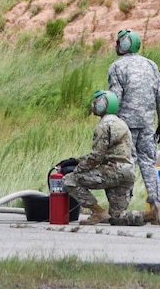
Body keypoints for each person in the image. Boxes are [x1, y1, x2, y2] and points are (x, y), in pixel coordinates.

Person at [107, 29, 160, 227]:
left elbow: (113, 99)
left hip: (125, 125)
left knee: (128, 163)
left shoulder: (117, 67)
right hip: (148, 123)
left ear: (124, 44)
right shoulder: (151, 65)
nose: (116, 45)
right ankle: (156, 202)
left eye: (118, 42)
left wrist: (110, 124)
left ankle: (122, 208)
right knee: (149, 163)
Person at [63, 90, 148, 227]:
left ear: (104, 104)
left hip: (113, 171)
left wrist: (78, 170)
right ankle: (149, 215)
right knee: (116, 218)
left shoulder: (103, 126)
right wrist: (76, 159)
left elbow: (97, 156)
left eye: (96, 102)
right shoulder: (121, 123)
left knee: (70, 180)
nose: (94, 105)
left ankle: (98, 212)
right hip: (128, 172)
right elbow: (113, 152)